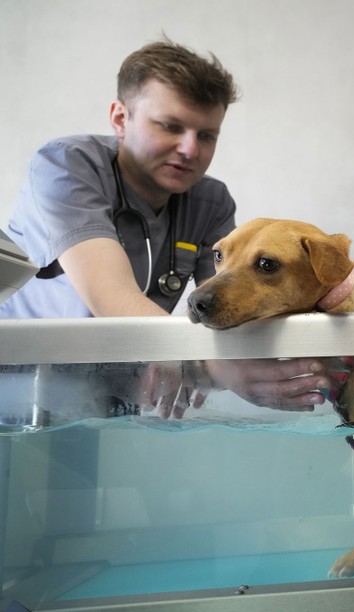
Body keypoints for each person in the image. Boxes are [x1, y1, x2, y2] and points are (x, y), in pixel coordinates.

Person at [0, 39, 329, 415]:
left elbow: (228, 306)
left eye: (206, 135)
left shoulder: (211, 203)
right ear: (120, 119)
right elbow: (111, 296)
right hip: (17, 384)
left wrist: (237, 363)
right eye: (171, 127)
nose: (190, 150)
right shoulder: (64, 167)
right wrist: (208, 365)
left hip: (114, 395)